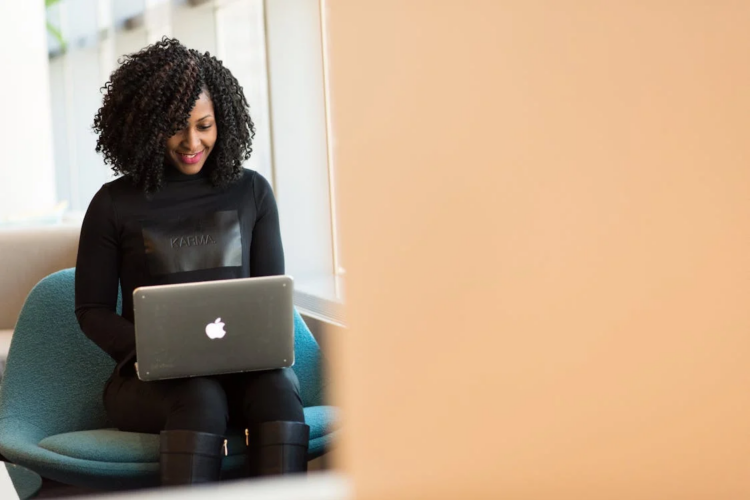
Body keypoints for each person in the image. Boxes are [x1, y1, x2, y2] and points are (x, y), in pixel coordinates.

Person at [74, 37, 309, 486]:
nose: (191, 142)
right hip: (152, 382)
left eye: (205, 125)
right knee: (200, 395)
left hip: (245, 372)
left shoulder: (252, 192)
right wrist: (160, 351)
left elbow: (269, 297)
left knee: (278, 391)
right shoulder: (112, 204)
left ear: (224, 121)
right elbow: (92, 312)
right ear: (144, 126)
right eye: (175, 127)